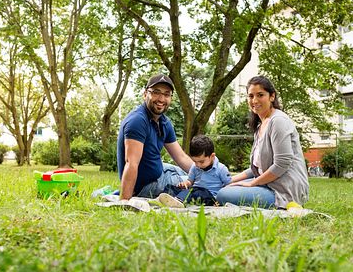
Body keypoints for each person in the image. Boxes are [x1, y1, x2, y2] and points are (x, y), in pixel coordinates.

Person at [216, 76, 309, 209]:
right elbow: (256, 168)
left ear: (272, 96)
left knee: (223, 194)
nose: (254, 100)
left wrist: (252, 184)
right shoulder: (261, 126)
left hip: (283, 190)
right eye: (251, 96)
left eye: (260, 95)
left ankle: (287, 205)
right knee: (225, 187)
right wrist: (230, 180)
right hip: (268, 183)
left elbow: (282, 164)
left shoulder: (278, 121)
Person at [117, 74, 193, 200]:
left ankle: (222, 177)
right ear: (145, 94)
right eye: (156, 92)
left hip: (161, 170)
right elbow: (131, 163)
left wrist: (208, 171)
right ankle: (225, 185)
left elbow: (181, 157)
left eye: (167, 94)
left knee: (201, 174)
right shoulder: (137, 121)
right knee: (199, 185)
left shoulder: (164, 122)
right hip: (147, 186)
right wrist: (125, 201)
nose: (161, 99)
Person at [158, 134, 232, 208]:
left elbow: (228, 185)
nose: (198, 165)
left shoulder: (221, 168)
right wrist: (185, 184)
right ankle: (162, 199)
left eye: (201, 162)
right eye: (195, 161)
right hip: (195, 192)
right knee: (171, 187)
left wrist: (220, 200)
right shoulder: (195, 166)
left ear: (212, 156)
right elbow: (190, 181)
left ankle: (179, 200)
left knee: (197, 192)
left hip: (210, 196)